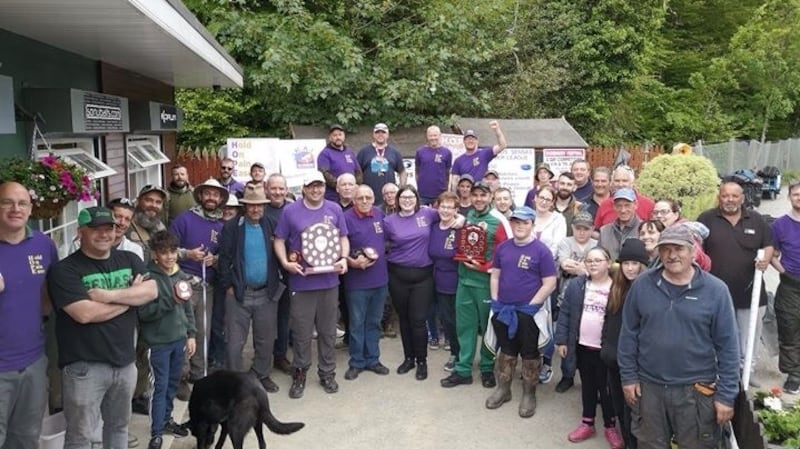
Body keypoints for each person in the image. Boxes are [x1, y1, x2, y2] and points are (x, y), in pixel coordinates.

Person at [618, 225, 740, 448]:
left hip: (695, 391)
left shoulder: (716, 291)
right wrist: (628, 377)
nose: (672, 255)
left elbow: (729, 347)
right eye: (665, 249)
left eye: (679, 249)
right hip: (649, 388)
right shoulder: (642, 285)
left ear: (693, 252)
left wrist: (726, 395)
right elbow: (628, 334)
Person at [47, 206, 158, 448]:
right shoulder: (64, 270)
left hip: (125, 363)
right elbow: (84, 314)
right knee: (80, 437)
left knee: (118, 428)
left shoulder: (130, 259)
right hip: (84, 367)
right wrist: (130, 299)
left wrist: (107, 296)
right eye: (95, 229)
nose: (104, 234)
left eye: (109, 228)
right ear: (80, 233)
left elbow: (151, 291)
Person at [273, 171, 349, 398]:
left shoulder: (334, 209)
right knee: (301, 332)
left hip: (329, 281)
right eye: (311, 186)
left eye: (320, 186)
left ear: (324, 187)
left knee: (327, 331)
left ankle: (327, 373)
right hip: (302, 281)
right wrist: (286, 263)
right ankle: (300, 373)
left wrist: (344, 258)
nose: (316, 190)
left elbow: (343, 237)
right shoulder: (290, 211)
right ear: (303, 188)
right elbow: (279, 239)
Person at [0, 181, 58, 449]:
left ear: (31, 208)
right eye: (7, 202)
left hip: (34, 361)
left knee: (26, 440)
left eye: (22, 203)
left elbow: (49, 296)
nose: (15, 209)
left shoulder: (44, 245)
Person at [698, 181, 772, 386]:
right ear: (719, 197)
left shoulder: (756, 220)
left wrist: (765, 259)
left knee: (748, 338)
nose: (729, 200)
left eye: (734, 196)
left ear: (742, 198)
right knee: (715, 336)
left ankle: (746, 373)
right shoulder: (706, 219)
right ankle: (716, 373)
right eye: (725, 196)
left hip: (750, 294)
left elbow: (768, 245)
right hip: (714, 295)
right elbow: (696, 248)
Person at [485, 206, 557, 418]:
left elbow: (550, 282)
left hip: (529, 312)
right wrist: (496, 302)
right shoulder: (503, 248)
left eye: (525, 222)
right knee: (506, 351)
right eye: (516, 222)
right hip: (503, 310)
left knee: (529, 354)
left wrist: (531, 307)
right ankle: (503, 389)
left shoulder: (541, 251)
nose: (520, 226)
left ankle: (529, 394)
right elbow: (495, 276)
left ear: (532, 225)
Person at [442, 181, 510, 389]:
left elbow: (505, 252)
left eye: (483, 195)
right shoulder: (466, 217)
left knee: (487, 327)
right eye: (475, 195)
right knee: (465, 327)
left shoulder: (497, 220)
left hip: (485, 283)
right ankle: (463, 369)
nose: (479, 199)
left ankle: (487, 367)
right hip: (463, 281)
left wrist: (483, 267)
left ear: (490, 197)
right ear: (470, 197)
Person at [217, 183, 284, 394]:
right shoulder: (232, 227)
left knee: (265, 339)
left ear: (264, 206)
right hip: (239, 293)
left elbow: (281, 252)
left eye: (259, 205)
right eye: (251, 205)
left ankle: (261, 375)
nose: (256, 209)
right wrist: (227, 285)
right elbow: (224, 258)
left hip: (266, 292)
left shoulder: (271, 224)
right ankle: (235, 381)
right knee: (234, 342)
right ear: (244, 206)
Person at [556, 246, 623, 448]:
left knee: (607, 388)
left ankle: (610, 426)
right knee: (588, 385)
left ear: (609, 263)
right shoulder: (577, 285)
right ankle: (587, 422)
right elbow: (565, 313)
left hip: (606, 350)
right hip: (583, 346)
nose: (593, 264)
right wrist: (562, 340)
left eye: (598, 260)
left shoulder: (617, 287)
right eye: (589, 260)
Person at [138, 230, 196, 449]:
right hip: (158, 342)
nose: (170, 256)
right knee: (159, 386)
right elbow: (143, 313)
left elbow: (188, 307)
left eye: (173, 251)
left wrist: (191, 334)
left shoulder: (179, 276)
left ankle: (167, 419)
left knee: (173, 383)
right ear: (155, 254)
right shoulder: (148, 278)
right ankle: (156, 431)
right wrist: (169, 301)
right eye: (164, 252)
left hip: (178, 340)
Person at [170, 178, 229, 384]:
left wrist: (215, 260)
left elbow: (227, 255)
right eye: (208, 193)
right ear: (201, 195)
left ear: (221, 198)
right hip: (183, 284)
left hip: (207, 286)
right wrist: (188, 254)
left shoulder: (221, 226)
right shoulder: (183, 220)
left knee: (203, 331)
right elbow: (167, 251)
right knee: (183, 330)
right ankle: (181, 376)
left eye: (216, 194)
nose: (211, 198)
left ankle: (199, 374)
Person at [384, 185, 440, 380]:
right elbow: (380, 242)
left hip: (423, 276)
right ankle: (409, 358)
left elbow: (449, 215)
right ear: (397, 200)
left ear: (417, 199)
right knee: (405, 320)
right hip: (397, 275)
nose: (407, 200)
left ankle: (422, 361)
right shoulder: (389, 221)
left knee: (418, 319)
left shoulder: (428, 214)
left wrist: (459, 220)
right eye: (403, 197)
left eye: (411, 197)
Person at [600, 238, 649, 449]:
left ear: (643, 265)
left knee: (635, 412)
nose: (630, 268)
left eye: (635, 263)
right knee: (619, 406)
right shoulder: (616, 288)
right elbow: (609, 320)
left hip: (635, 364)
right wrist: (605, 348)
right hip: (613, 358)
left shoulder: (648, 290)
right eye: (626, 263)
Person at [342, 185, 391, 380]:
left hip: (380, 280)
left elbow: (389, 239)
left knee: (374, 322)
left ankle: (373, 359)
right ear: (353, 199)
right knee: (356, 324)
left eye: (368, 197)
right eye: (360, 197)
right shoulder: (345, 217)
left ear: (373, 199)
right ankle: (356, 362)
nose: (364, 201)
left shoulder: (379, 214)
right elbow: (338, 247)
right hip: (356, 282)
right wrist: (352, 261)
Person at [553, 211, 598, 393]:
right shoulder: (566, 242)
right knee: (569, 338)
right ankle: (567, 375)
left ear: (592, 229)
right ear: (573, 228)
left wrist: (580, 268)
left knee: (590, 339)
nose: (581, 232)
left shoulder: (597, 244)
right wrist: (586, 268)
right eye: (578, 228)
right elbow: (565, 264)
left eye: (586, 229)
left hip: (591, 297)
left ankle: (591, 378)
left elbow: (597, 268)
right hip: (567, 296)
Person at [530, 185, 567, 383]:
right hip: (526, 276)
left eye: (548, 199)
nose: (543, 201)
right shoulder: (527, 216)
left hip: (547, 275)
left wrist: (534, 255)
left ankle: (546, 363)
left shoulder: (558, 220)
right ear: (535, 198)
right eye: (541, 197)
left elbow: (555, 247)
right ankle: (530, 361)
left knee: (546, 319)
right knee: (528, 318)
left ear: (553, 202)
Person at [771, 181, 800, 393]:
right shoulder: (779, 225)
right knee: (789, 327)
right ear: (789, 197)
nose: (799, 197)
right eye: (796, 194)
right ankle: (794, 373)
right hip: (791, 285)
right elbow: (772, 254)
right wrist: (784, 272)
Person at [428, 191, 461, 372]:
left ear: (456, 210)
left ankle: (458, 354)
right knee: (445, 319)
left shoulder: (460, 228)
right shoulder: (433, 226)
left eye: (450, 207)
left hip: (454, 281)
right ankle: (456, 352)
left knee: (454, 320)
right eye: (443, 206)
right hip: (434, 280)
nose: (446, 210)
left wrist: (462, 220)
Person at [264, 173, 293, 375]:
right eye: (273, 188)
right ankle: (263, 358)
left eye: (281, 188)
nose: (277, 192)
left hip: (289, 271)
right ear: (266, 189)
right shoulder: (259, 211)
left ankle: (280, 355)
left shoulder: (292, 211)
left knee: (284, 317)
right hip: (266, 273)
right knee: (265, 319)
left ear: (286, 189)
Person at [654, 199, 712, 271]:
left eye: (664, 212)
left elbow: (701, 260)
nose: (658, 216)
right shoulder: (660, 232)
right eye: (655, 213)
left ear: (676, 215)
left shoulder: (685, 233)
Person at [357, 123, 406, 206]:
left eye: (383, 132)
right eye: (377, 132)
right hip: (368, 197)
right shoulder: (364, 152)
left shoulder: (394, 152)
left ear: (388, 134)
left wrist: (401, 189)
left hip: (389, 197)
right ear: (373, 134)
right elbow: (356, 171)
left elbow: (402, 171)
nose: (380, 135)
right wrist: (359, 189)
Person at [449, 121, 507, 189]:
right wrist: (455, 197)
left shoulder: (484, 154)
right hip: (467, 194)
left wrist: (497, 130)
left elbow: (502, 145)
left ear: (477, 141)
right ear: (464, 142)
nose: (470, 141)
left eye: (472, 139)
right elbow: (454, 182)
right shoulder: (458, 160)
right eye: (467, 139)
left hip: (482, 192)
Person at [318, 124, 363, 203]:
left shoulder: (349, 152)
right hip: (334, 197)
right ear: (330, 137)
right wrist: (341, 187)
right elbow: (324, 173)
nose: (338, 137)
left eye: (340, 134)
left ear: (344, 136)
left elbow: (358, 171)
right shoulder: (325, 154)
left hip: (351, 196)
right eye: (335, 135)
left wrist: (356, 185)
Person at [598, 188, 642, 261]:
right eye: (619, 206)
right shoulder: (604, 231)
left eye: (627, 205)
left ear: (636, 205)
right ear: (614, 207)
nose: (623, 210)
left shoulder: (644, 229)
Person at [128, 185, 169, 263]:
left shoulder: (160, 227)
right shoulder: (127, 224)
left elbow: (168, 250)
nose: (153, 205)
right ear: (138, 201)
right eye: (149, 200)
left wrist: (188, 254)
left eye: (158, 202)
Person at [414, 126, 452, 205]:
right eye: (430, 136)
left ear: (440, 136)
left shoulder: (447, 152)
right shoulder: (420, 152)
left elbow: (447, 173)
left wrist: (446, 190)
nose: (433, 138)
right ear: (427, 136)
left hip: (440, 194)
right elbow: (417, 171)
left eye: (435, 135)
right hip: (423, 194)